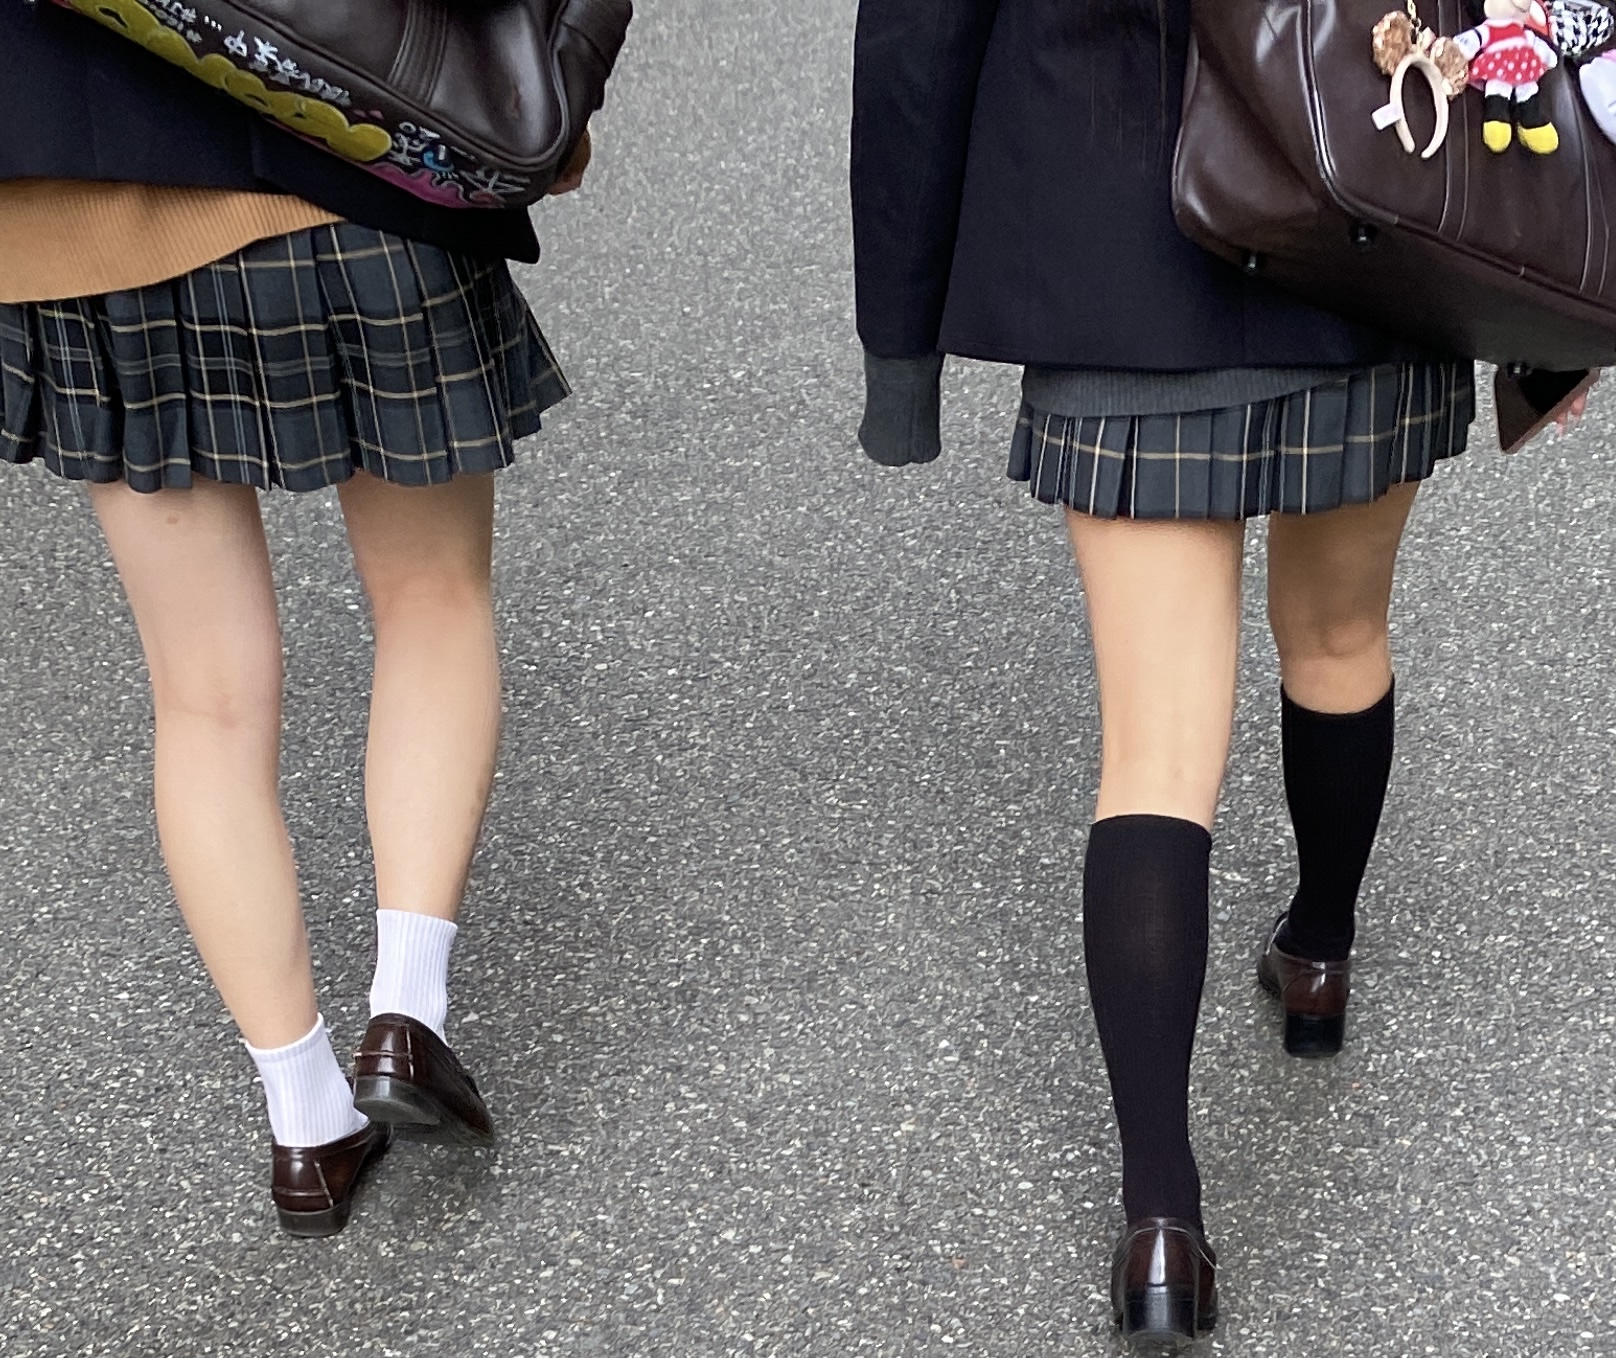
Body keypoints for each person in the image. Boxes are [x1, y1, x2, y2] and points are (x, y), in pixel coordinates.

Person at [848, 1, 1559, 1348]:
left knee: (1156, 746)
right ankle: (1318, 952)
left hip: (1113, 252)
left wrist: (901, 345)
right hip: (1368, 216)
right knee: (1339, 635)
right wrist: (1552, 306)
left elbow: (916, 39)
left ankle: (1162, 1219)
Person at [0, 3, 592, 1237]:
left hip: (66, 210)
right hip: (351, 141)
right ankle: (406, 1012)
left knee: (204, 691)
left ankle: (306, 1120)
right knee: (430, 595)